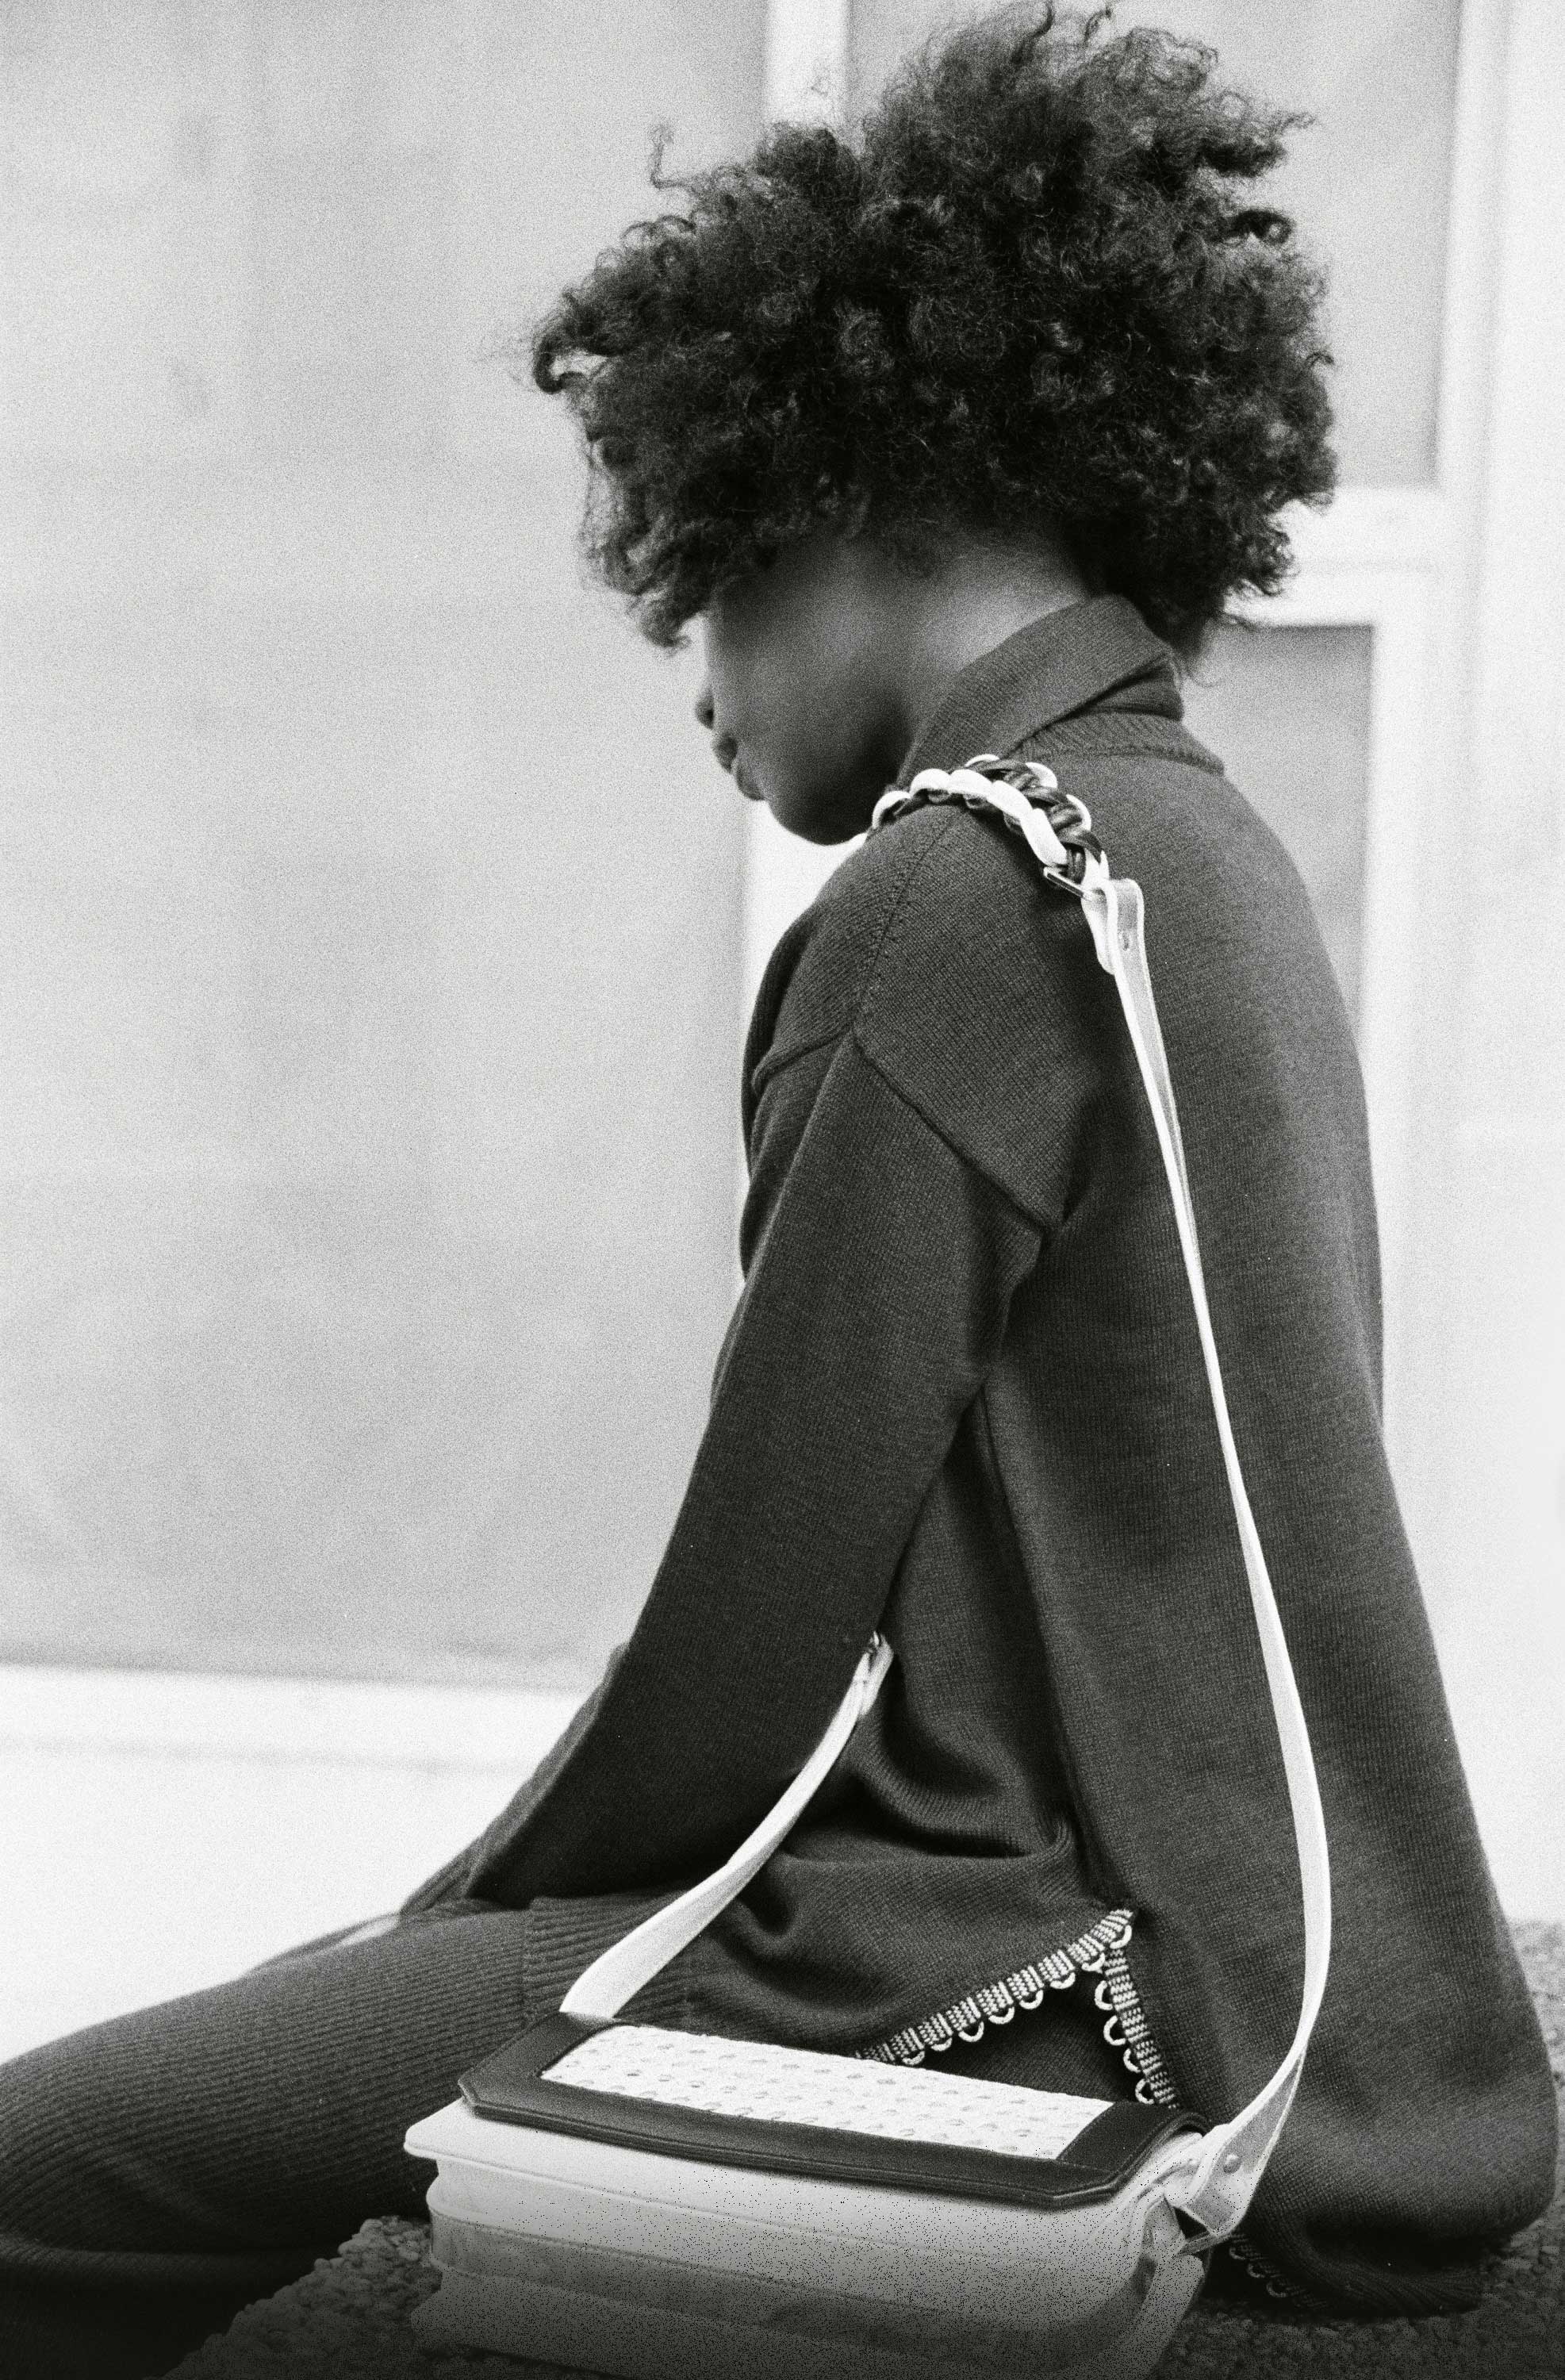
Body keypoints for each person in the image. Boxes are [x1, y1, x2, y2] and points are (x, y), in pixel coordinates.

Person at [2, 10, 1553, 2373]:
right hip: (1323, 2009)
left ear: (847, 496)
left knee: (43, 2173)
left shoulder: (961, 902)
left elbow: (745, 1668)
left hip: (1018, 1966)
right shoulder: (1196, 850)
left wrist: (414, 1936)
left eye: (701, 582)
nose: (689, 679)